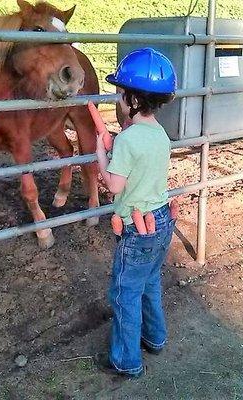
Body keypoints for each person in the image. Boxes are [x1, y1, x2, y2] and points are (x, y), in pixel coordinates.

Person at [94, 47, 177, 378]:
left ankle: (126, 360)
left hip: (137, 229)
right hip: (161, 222)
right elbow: (142, 164)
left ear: (132, 99)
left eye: (119, 94)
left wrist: (100, 154)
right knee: (150, 282)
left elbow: (114, 185)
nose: (118, 99)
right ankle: (155, 338)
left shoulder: (127, 141)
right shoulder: (159, 134)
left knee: (124, 292)